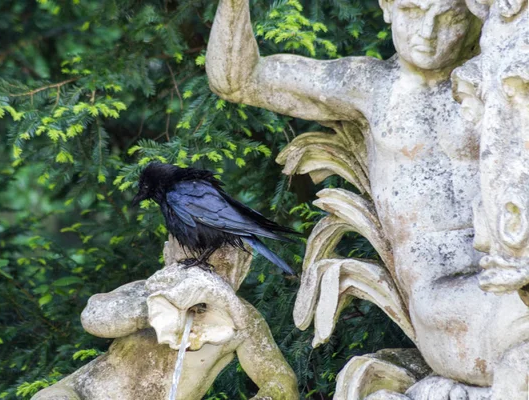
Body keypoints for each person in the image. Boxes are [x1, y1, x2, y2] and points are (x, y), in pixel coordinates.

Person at [206, 0, 529, 387]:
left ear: (475, 18)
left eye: (448, 18)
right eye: (412, 12)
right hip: (445, 302)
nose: (427, 33)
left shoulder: (501, 79)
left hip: (511, 276)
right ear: (388, 7)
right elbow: (239, 79)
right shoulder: (370, 86)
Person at [31, 237, 298, 400]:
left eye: (220, 268)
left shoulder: (243, 320)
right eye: (189, 262)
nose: (203, 275)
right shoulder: (144, 291)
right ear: (168, 255)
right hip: (81, 395)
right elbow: (93, 318)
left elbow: (281, 380)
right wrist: (154, 308)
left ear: (243, 267)